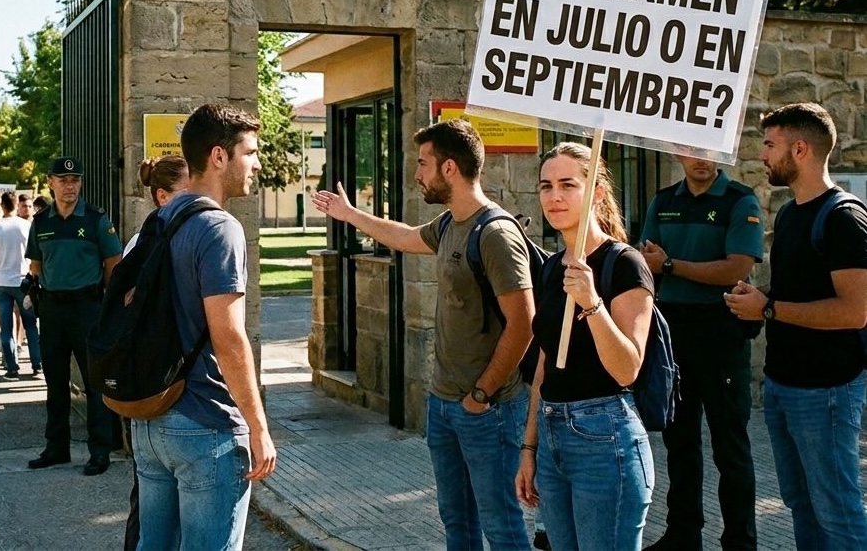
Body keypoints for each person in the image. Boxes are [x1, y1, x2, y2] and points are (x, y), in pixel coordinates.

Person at [312, 118, 534, 551]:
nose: (416, 174)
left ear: (449, 168)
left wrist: (482, 394)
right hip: (445, 404)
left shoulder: (496, 234)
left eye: (423, 163)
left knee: (503, 529)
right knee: (457, 524)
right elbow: (407, 237)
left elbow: (523, 322)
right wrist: (350, 214)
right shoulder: (451, 223)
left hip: (488, 410)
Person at [132, 105, 276, 551]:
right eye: (249, 152)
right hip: (205, 424)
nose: (256, 163)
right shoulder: (219, 228)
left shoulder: (159, 219)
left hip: (152, 419)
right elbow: (229, 337)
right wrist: (257, 425)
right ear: (219, 156)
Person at [724, 103, 867, 549]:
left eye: (770, 144)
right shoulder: (788, 213)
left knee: (837, 513)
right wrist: (756, 295)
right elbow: (790, 290)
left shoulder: (844, 219)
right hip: (784, 387)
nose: (762, 154)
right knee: (802, 505)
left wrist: (768, 309)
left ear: (800, 149)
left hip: (827, 391)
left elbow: (855, 311)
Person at [516, 142, 656, 550]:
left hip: (605, 438)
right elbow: (544, 366)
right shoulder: (550, 268)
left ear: (595, 190)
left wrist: (592, 304)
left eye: (567, 185)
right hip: (551, 433)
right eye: (546, 186)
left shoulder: (624, 263)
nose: (554, 196)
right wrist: (529, 447)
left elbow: (627, 368)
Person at [638, 156, 763, 551]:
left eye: (710, 152)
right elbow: (646, 261)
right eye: (693, 151)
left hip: (721, 333)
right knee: (680, 443)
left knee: (731, 447)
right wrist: (658, 264)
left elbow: (735, 268)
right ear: (678, 153)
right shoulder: (663, 201)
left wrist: (671, 264)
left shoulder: (740, 201)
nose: (702, 161)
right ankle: (683, 534)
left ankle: (739, 542)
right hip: (674, 334)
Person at [25, 156, 122, 476]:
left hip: (87, 308)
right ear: (50, 182)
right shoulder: (41, 223)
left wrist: (109, 308)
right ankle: (57, 448)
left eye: (75, 180)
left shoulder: (95, 219)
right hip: (52, 310)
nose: (70, 186)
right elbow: (36, 268)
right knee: (54, 381)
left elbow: (114, 265)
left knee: (95, 383)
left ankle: (100, 451)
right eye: (63, 180)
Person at [121, 154, 191, 551]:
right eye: (187, 190)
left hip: (155, 387)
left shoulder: (153, 236)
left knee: (152, 510)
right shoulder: (150, 242)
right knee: (152, 512)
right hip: (157, 388)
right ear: (163, 196)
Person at [0, 191, 40, 379]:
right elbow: (36, 254)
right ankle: (37, 365)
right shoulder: (27, 226)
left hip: (1, 281)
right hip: (22, 280)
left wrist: (0, 266)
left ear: (2, 206)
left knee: (6, 328)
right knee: (30, 325)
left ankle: (12, 367)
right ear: (16, 205)